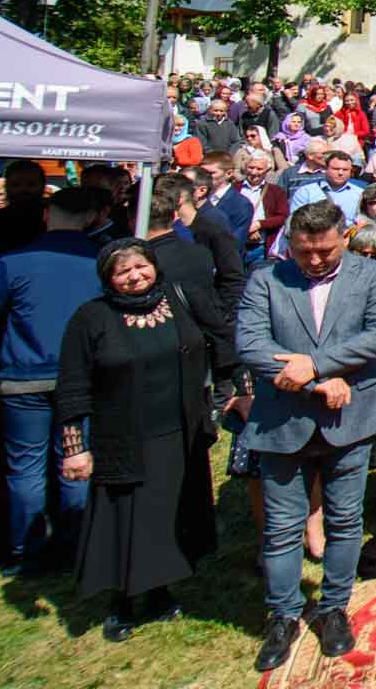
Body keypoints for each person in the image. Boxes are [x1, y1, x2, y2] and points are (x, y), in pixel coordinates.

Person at [237, 200, 376, 672]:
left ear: (344, 238)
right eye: (303, 251)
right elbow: (250, 343)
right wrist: (314, 381)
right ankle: (283, 612)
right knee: (282, 526)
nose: (312, 261)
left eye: (324, 251)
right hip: (282, 420)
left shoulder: (372, 276)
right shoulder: (265, 279)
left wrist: (319, 363)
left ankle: (333, 606)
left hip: (350, 418)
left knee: (347, 519)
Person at [56, 238, 242, 640]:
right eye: (123, 272)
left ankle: (160, 590)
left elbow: (224, 336)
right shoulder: (91, 319)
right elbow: (72, 387)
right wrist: (75, 447)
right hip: (123, 437)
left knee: (168, 514)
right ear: (109, 278)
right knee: (128, 519)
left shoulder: (179, 299)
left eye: (140, 267)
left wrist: (236, 387)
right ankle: (123, 602)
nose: (134, 276)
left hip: (180, 431)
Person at [0, 191, 103, 574]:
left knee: (25, 466)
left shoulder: (12, 262)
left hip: (25, 376)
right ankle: (76, 544)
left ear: (46, 215)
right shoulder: (99, 260)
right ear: (89, 217)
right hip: (80, 377)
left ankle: (25, 550)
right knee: (76, 459)